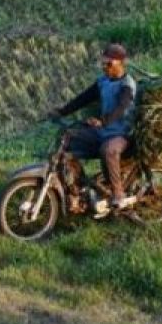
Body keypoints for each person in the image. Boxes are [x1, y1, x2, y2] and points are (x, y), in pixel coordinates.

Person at [48, 43, 138, 214]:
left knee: (108, 150)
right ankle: (78, 189)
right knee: (69, 140)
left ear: (120, 63)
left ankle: (118, 195)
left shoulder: (128, 84)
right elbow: (83, 98)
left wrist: (103, 121)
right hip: (102, 131)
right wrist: (62, 111)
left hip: (121, 134)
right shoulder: (103, 82)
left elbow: (122, 108)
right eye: (103, 63)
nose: (105, 67)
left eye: (109, 63)